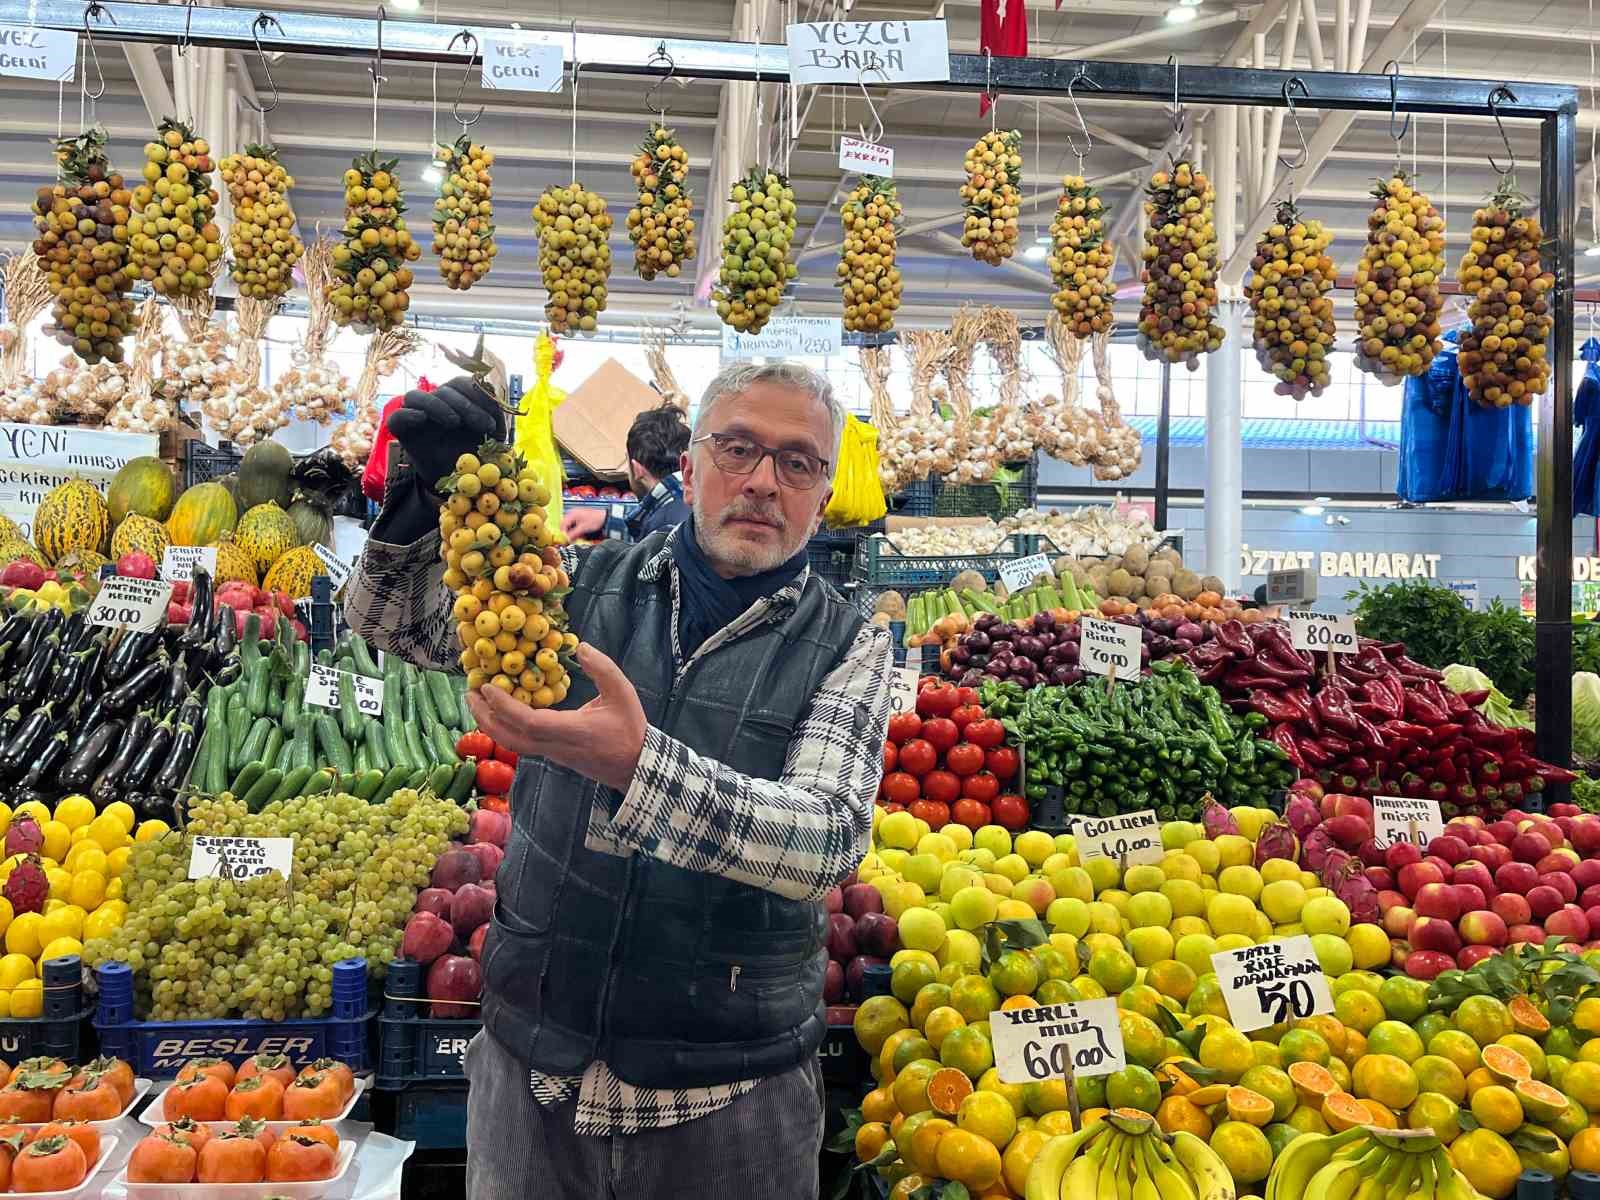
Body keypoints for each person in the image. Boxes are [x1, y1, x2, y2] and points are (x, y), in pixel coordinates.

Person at [345, 361, 893, 1200]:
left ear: (823, 492)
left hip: (730, 1094)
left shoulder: (852, 644)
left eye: (798, 462)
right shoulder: (583, 583)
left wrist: (638, 768)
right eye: (738, 448)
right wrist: (427, 503)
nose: (761, 481)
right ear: (690, 466)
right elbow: (401, 626)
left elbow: (824, 838)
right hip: (535, 1071)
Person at [560, 405, 691, 543]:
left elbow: (653, 538)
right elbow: (649, 522)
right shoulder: (691, 504)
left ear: (637, 469)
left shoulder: (663, 529)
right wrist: (606, 520)